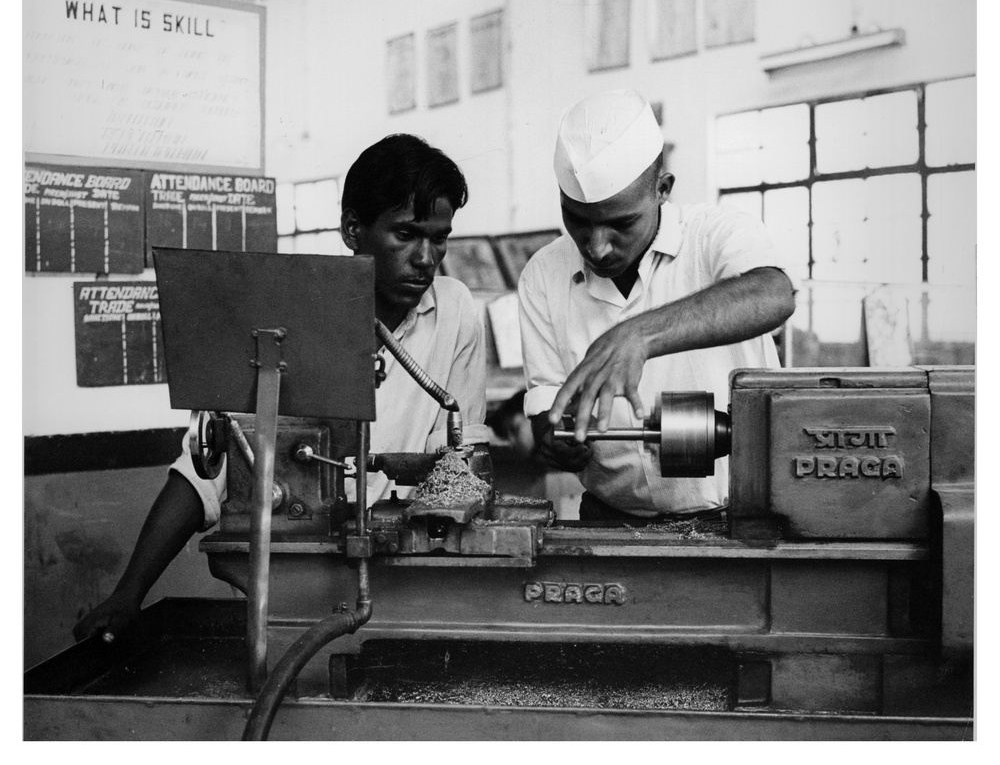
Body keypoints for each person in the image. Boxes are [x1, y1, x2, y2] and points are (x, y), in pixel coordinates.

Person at [74, 134, 488, 642]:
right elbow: (205, 471)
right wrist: (128, 594)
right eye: (406, 234)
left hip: (400, 575)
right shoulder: (285, 311)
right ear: (353, 228)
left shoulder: (455, 310)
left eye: (439, 237)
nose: (427, 258)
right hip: (292, 569)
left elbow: (455, 459)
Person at [517, 90, 796, 521]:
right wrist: (556, 439)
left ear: (663, 190)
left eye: (621, 223)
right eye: (577, 219)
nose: (597, 247)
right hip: (610, 519)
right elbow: (545, 402)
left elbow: (772, 293)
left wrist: (639, 335)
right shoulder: (543, 274)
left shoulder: (713, 234)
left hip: (737, 517)